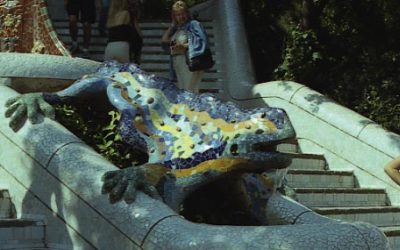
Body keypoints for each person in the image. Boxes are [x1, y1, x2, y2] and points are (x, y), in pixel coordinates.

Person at [161, 1, 210, 93]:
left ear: (187, 13)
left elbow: (202, 42)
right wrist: (172, 25)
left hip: (190, 61)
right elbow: (164, 40)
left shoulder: (193, 24)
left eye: (183, 13)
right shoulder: (178, 29)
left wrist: (184, 46)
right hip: (178, 63)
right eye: (177, 15)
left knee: (189, 91)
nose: (181, 17)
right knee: (183, 91)